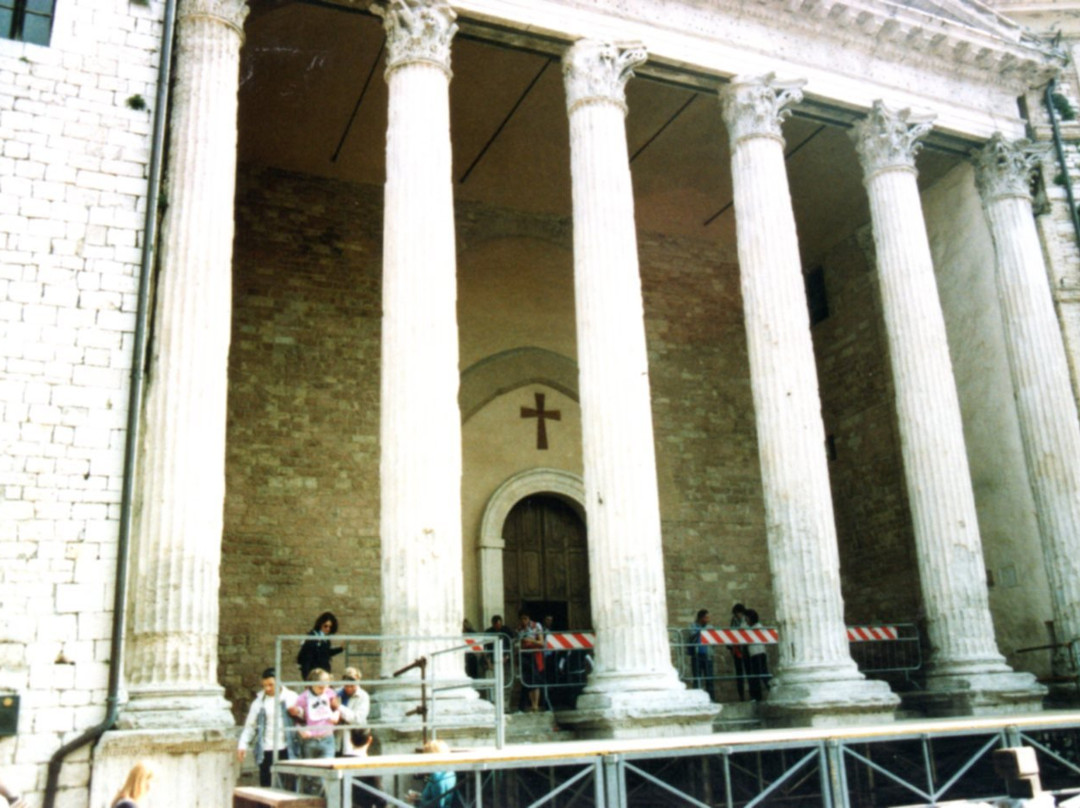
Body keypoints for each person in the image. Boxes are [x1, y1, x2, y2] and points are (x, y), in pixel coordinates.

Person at [237, 666, 300, 787]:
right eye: (265, 685)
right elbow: (250, 726)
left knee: (289, 785)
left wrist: (298, 712)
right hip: (267, 749)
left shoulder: (292, 697)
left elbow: (303, 717)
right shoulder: (259, 702)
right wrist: (242, 744)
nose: (267, 688)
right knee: (266, 785)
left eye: (271, 685)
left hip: (287, 748)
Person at [289, 668, 342, 794]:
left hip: (327, 739)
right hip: (310, 741)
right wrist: (300, 730)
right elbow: (297, 718)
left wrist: (337, 715)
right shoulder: (303, 698)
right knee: (312, 776)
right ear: (311, 684)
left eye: (325, 686)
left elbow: (336, 708)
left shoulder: (330, 694)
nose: (322, 689)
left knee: (327, 774)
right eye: (319, 687)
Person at [407, 739, 456, 807]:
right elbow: (435, 797)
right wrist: (418, 796)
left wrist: (417, 801)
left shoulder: (437, 777)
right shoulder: (450, 772)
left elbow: (437, 805)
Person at [297, 611, 344, 679]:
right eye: (325, 626)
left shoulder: (325, 638)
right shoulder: (313, 637)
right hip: (314, 673)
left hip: (324, 672)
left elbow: (325, 652)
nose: (328, 629)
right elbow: (306, 658)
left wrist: (340, 649)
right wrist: (306, 678)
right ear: (320, 624)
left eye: (330, 627)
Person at [338, 666, 371, 756]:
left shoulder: (363, 696)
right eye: (346, 685)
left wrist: (339, 707)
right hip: (336, 738)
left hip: (354, 741)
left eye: (352, 686)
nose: (349, 688)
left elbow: (358, 719)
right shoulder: (336, 694)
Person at [516, 610, 544, 712]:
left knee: (535, 679)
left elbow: (541, 642)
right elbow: (518, 643)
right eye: (522, 619)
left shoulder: (536, 626)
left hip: (535, 654)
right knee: (527, 680)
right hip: (524, 655)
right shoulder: (519, 629)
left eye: (525, 618)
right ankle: (531, 704)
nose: (524, 621)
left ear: (529, 618)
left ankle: (535, 705)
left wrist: (532, 641)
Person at [745, 608, 771, 702]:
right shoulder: (750, 628)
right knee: (755, 676)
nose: (745, 621)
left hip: (759, 653)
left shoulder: (758, 627)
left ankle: (771, 691)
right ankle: (757, 696)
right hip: (753, 654)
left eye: (746, 618)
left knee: (763, 674)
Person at [688, 608, 714, 700]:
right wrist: (700, 632)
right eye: (706, 617)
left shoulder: (710, 627)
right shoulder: (692, 626)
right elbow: (691, 637)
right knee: (697, 678)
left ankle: (711, 699)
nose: (708, 619)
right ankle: (697, 700)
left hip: (707, 655)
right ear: (701, 618)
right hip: (697, 655)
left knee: (709, 678)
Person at [729, 603, 749, 701]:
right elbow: (732, 634)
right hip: (737, 650)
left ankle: (753, 695)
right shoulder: (734, 621)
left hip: (746, 650)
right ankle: (741, 696)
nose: (737, 615)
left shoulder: (746, 620)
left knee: (750, 673)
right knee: (739, 674)